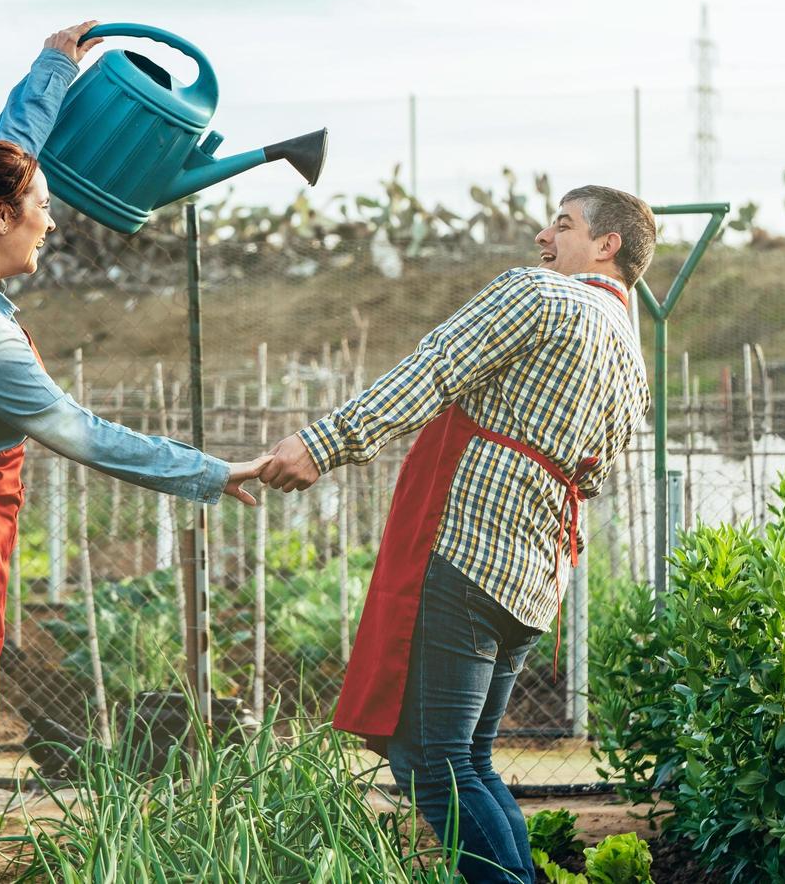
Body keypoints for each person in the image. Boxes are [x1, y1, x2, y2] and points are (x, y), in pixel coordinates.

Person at [0, 21, 270, 884]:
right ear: (0, 217)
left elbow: (9, 147)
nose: (51, 224)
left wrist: (53, 66)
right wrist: (214, 473)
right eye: (40, 209)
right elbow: (88, 436)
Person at [259, 186, 655, 884]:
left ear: (607, 246)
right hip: (533, 579)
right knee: (467, 759)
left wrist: (323, 444)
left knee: (432, 767)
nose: (542, 238)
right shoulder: (630, 358)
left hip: (468, 553)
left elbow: (433, 371)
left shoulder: (540, 295)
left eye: (562, 225)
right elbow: (590, 478)